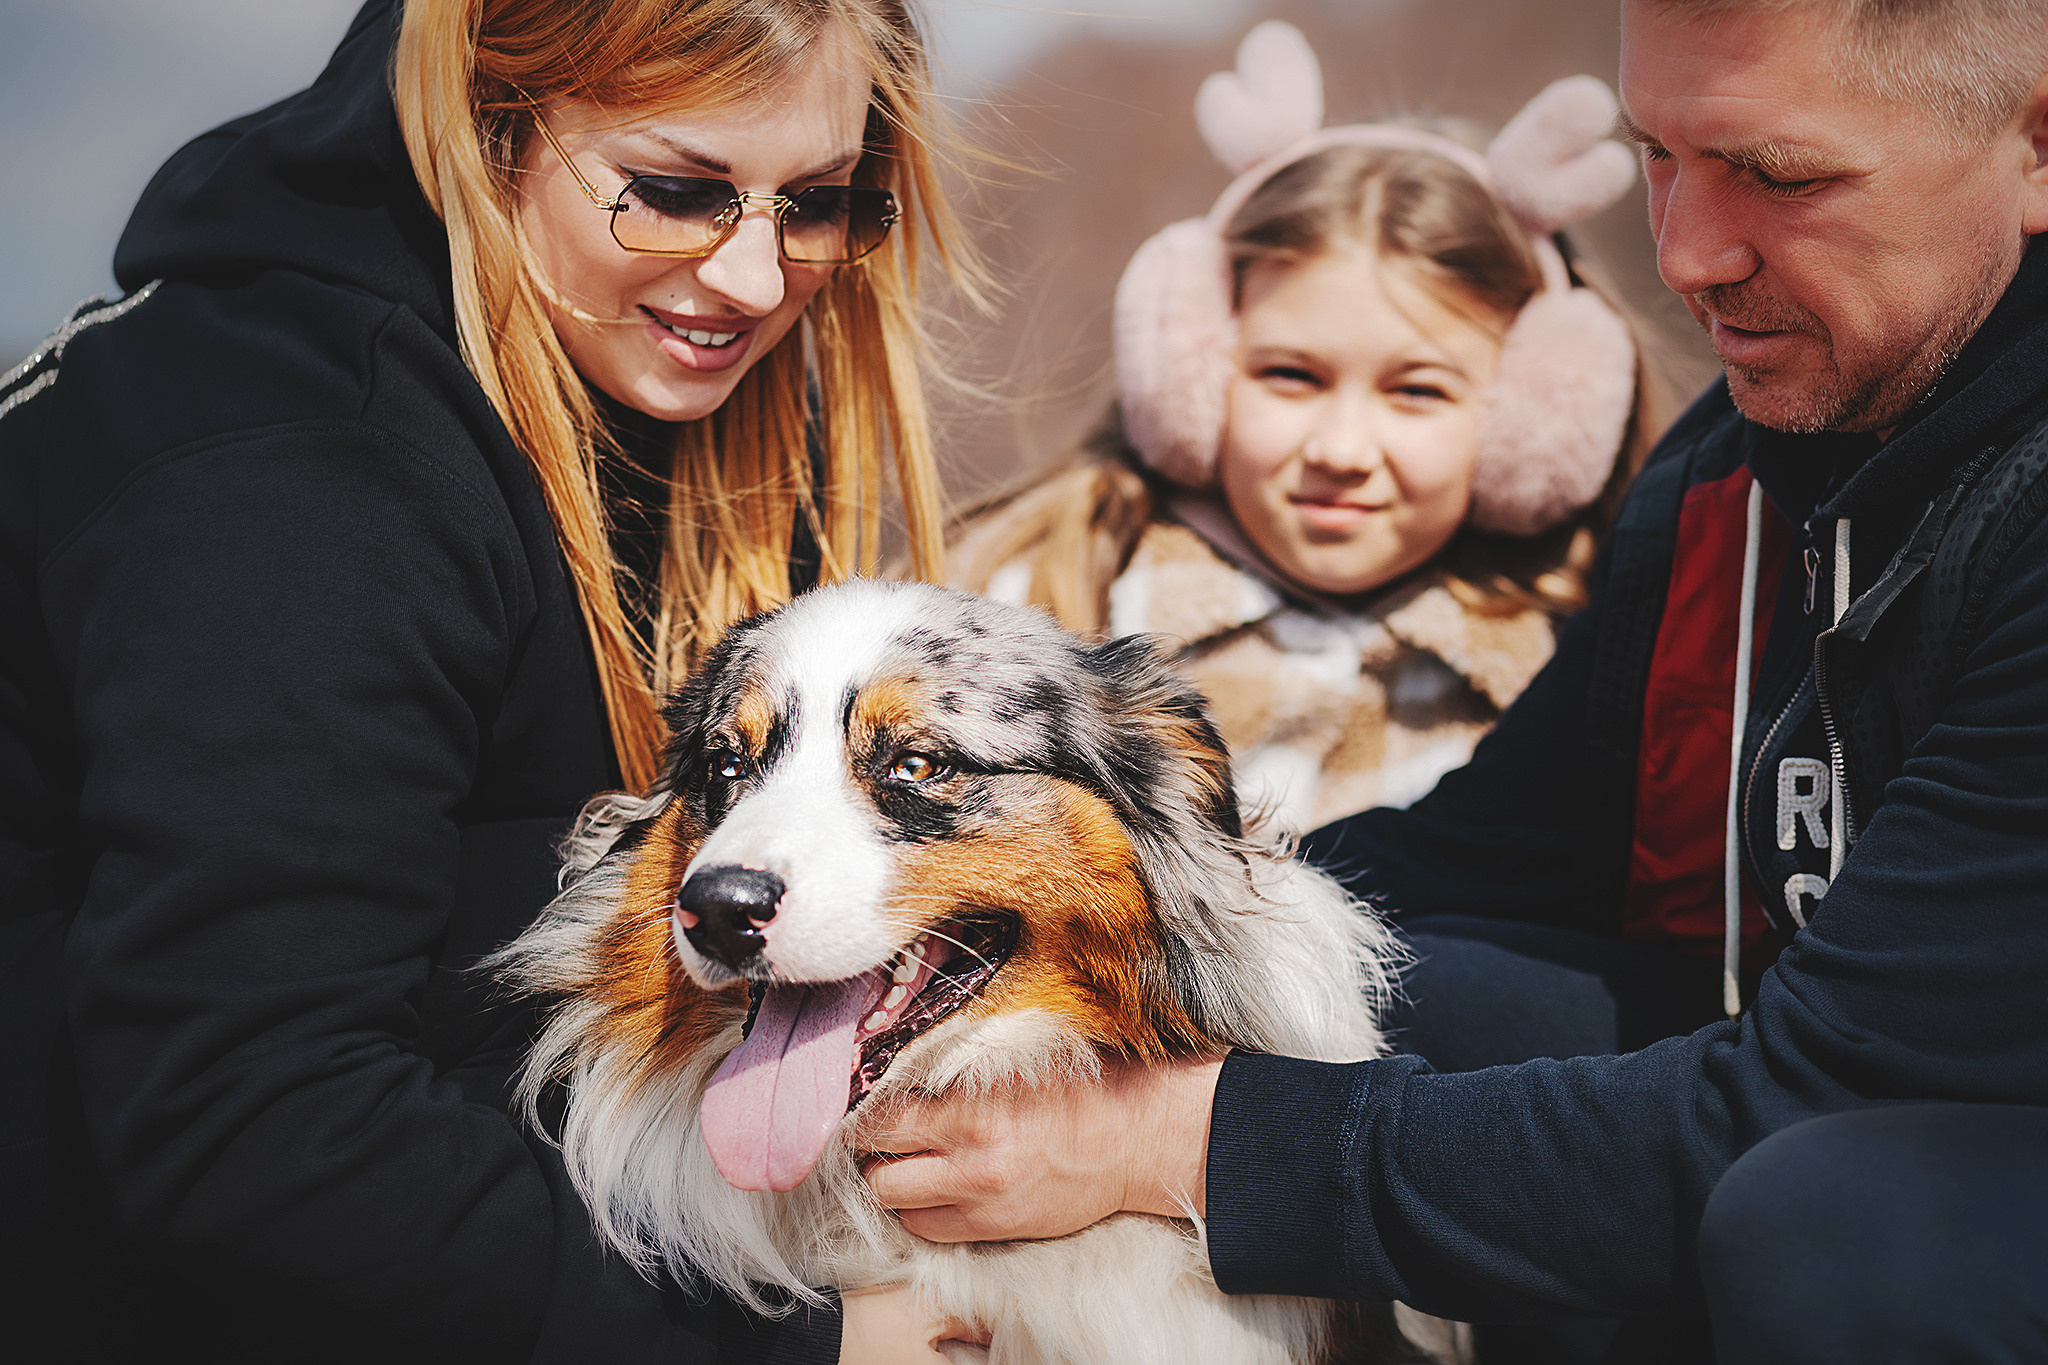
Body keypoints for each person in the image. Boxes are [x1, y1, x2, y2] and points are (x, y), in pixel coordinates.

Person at [856, 1, 2048, 1360]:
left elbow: (1803, 1112)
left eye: (1781, 175)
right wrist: (1039, 935)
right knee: (1402, 990)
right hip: (1808, 1103)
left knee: (1833, 1221)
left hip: (1903, 1185)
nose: (1684, 255)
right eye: (1661, 155)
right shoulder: (1751, 456)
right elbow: (1474, 858)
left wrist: (1182, 1139)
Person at [0, 0, 977, 1359]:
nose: (756, 277)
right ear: (488, 125)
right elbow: (252, 1120)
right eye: (679, 191)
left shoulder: (649, 376)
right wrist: (800, 1342)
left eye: (819, 205)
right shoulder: (293, 474)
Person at [952, 25, 1665, 831]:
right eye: (1291, 376)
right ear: (1194, 369)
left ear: (1539, 417)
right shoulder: (1048, 599)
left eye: (1417, 392)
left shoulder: (1572, 663)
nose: (1340, 451)